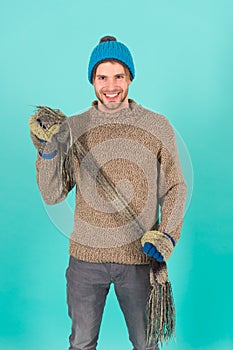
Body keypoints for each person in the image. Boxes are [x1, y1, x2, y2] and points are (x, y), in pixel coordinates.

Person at [29, 36, 187, 350]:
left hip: (140, 259)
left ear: (130, 78)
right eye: (102, 77)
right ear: (92, 80)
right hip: (86, 260)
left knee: (146, 344)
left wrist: (166, 235)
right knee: (82, 343)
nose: (110, 85)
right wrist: (48, 152)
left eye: (118, 76)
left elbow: (175, 187)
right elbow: (52, 193)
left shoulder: (157, 126)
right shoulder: (73, 128)